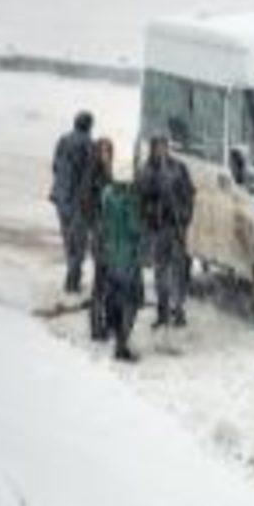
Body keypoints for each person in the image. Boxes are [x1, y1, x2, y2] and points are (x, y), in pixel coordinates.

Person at [136, 135, 195, 328]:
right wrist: (148, 217)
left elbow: (189, 193)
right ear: (152, 149)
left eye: (164, 146)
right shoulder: (146, 170)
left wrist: (185, 217)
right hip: (157, 227)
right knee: (161, 271)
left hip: (175, 226)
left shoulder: (178, 168)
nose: (161, 150)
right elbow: (141, 198)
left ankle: (178, 309)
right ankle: (162, 311)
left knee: (178, 270)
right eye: (157, 147)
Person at [99, 152, 143, 362]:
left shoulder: (107, 194)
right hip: (128, 258)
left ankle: (113, 332)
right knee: (130, 301)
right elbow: (135, 227)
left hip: (111, 255)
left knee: (114, 298)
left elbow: (104, 223)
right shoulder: (129, 199)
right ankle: (122, 344)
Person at [50, 111, 93, 293]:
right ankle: (73, 279)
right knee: (79, 242)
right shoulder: (88, 144)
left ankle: (72, 272)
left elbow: (55, 166)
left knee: (68, 239)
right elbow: (89, 175)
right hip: (77, 201)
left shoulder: (63, 140)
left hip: (61, 197)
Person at [84, 138, 115, 340]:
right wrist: (98, 223)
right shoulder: (94, 176)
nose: (106, 155)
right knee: (100, 283)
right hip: (100, 236)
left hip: (108, 235)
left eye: (109, 151)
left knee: (107, 283)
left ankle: (106, 323)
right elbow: (88, 204)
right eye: (103, 151)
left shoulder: (107, 173)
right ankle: (96, 327)